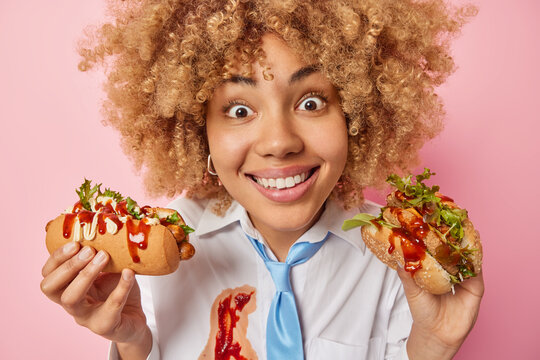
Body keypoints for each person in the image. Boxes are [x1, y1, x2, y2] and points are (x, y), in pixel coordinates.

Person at [40, 0, 484, 359]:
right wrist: (134, 343)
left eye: (310, 102)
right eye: (239, 110)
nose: (279, 142)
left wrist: (433, 348)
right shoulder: (156, 259)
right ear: (200, 132)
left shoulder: (399, 260)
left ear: (356, 115)